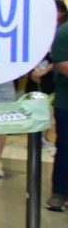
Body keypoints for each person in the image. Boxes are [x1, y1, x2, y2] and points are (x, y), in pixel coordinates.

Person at [47, 15, 68, 210]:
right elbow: (63, 65)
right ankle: (60, 192)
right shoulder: (64, 32)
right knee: (65, 148)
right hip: (66, 104)